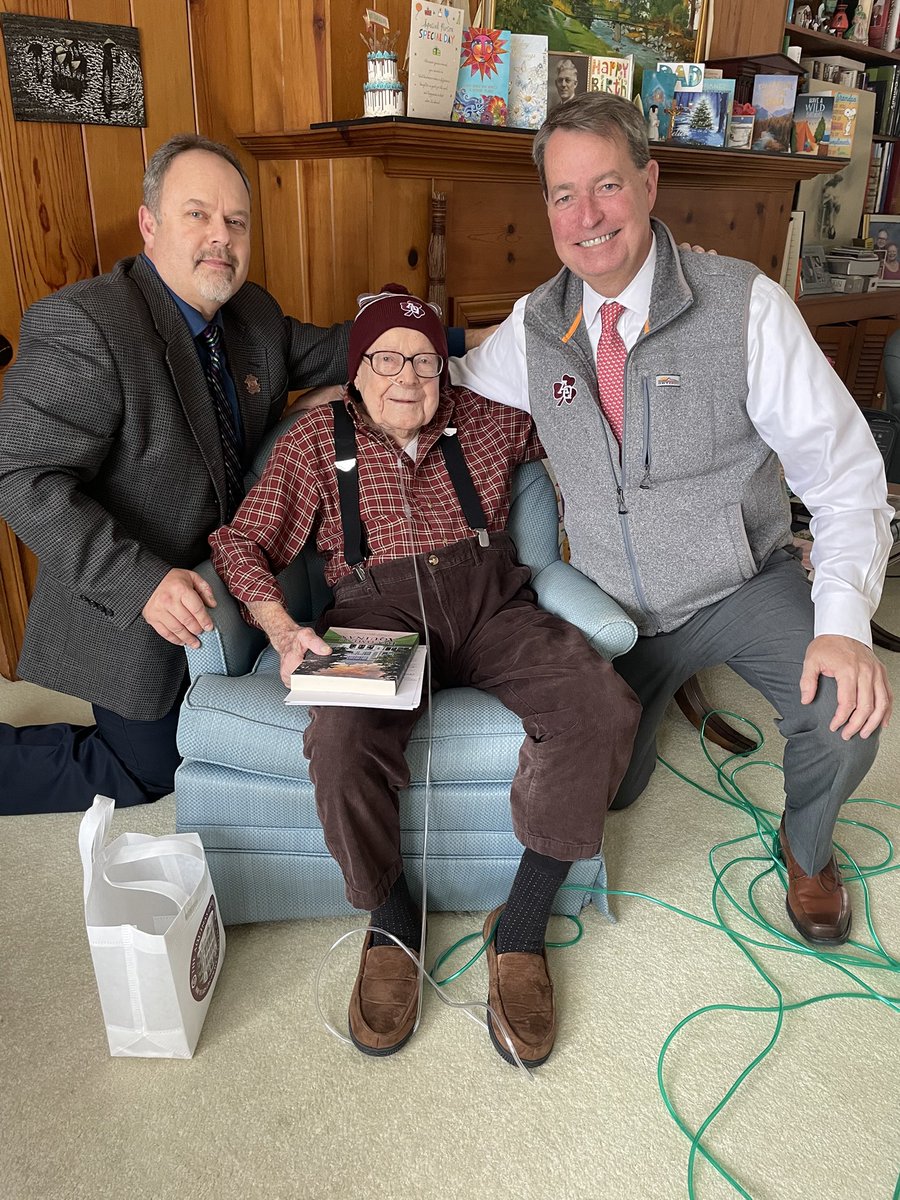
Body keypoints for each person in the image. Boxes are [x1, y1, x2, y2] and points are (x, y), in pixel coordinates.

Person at [450, 91, 894, 949]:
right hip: (614, 607)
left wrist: (842, 625)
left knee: (847, 713)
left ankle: (807, 848)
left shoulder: (746, 306)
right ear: (545, 208)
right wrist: (354, 375)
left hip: (742, 580)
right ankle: (669, 693)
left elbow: (845, 475)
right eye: (563, 195)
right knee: (611, 789)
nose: (587, 216)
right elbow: (454, 385)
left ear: (650, 184)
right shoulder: (537, 326)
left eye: (607, 186)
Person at [209, 285, 641, 1064]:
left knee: (601, 705)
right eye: (385, 359)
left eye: (424, 359)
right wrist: (280, 626)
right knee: (338, 742)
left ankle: (520, 926)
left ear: (446, 369)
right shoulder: (314, 442)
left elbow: (588, 426)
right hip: (374, 613)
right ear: (357, 368)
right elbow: (240, 544)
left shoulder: (492, 421)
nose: (406, 376)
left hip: (491, 603)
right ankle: (391, 917)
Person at [0, 134, 466, 817]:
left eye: (236, 222)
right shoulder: (86, 325)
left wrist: (468, 341)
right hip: (144, 592)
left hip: (235, 575)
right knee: (149, 770)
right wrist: (142, 583)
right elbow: (21, 478)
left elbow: (347, 346)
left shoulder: (252, 315)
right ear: (149, 224)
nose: (220, 237)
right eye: (198, 215)